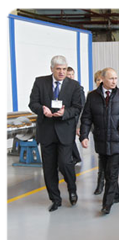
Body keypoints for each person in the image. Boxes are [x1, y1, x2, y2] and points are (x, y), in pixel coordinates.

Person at [28, 55, 83, 212]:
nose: (61, 72)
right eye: (58, 69)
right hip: (46, 131)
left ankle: (72, 189)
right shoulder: (40, 82)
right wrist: (42, 109)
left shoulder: (73, 85)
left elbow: (77, 107)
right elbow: (33, 103)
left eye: (64, 69)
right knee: (49, 168)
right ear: (51, 69)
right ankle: (55, 199)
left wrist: (64, 113)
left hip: (65, 131)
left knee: (66, 163)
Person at [80, 68, 119, 214]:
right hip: (101, 140)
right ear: (102, 79)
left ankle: (107, 203)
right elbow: (86, 117)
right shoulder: (92, 97)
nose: (114, 81)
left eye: (116, 78)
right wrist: (84, 136)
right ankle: (116, 195)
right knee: (106, 169)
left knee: (111, 173)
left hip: (117, 140)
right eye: (111, 78)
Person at [66, 66, 85, 165]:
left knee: (70, 139)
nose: (71, 76)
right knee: (69, 139)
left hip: (75, 118)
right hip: (67, 117)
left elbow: (82, 106)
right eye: (68, 75)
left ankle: (76, 157)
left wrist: (79, 124)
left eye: (72, 74)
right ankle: (75, 157)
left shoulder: (78, 88)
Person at [91, 70, 106, 195]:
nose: (100, 82)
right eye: (97, 80)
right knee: (101, 157)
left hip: (111, 132)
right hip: (97, 131)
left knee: (109, 159)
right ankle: (100, 182)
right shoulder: (91, 95)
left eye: (101, 79)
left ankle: (108, 183)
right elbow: (86, 114)